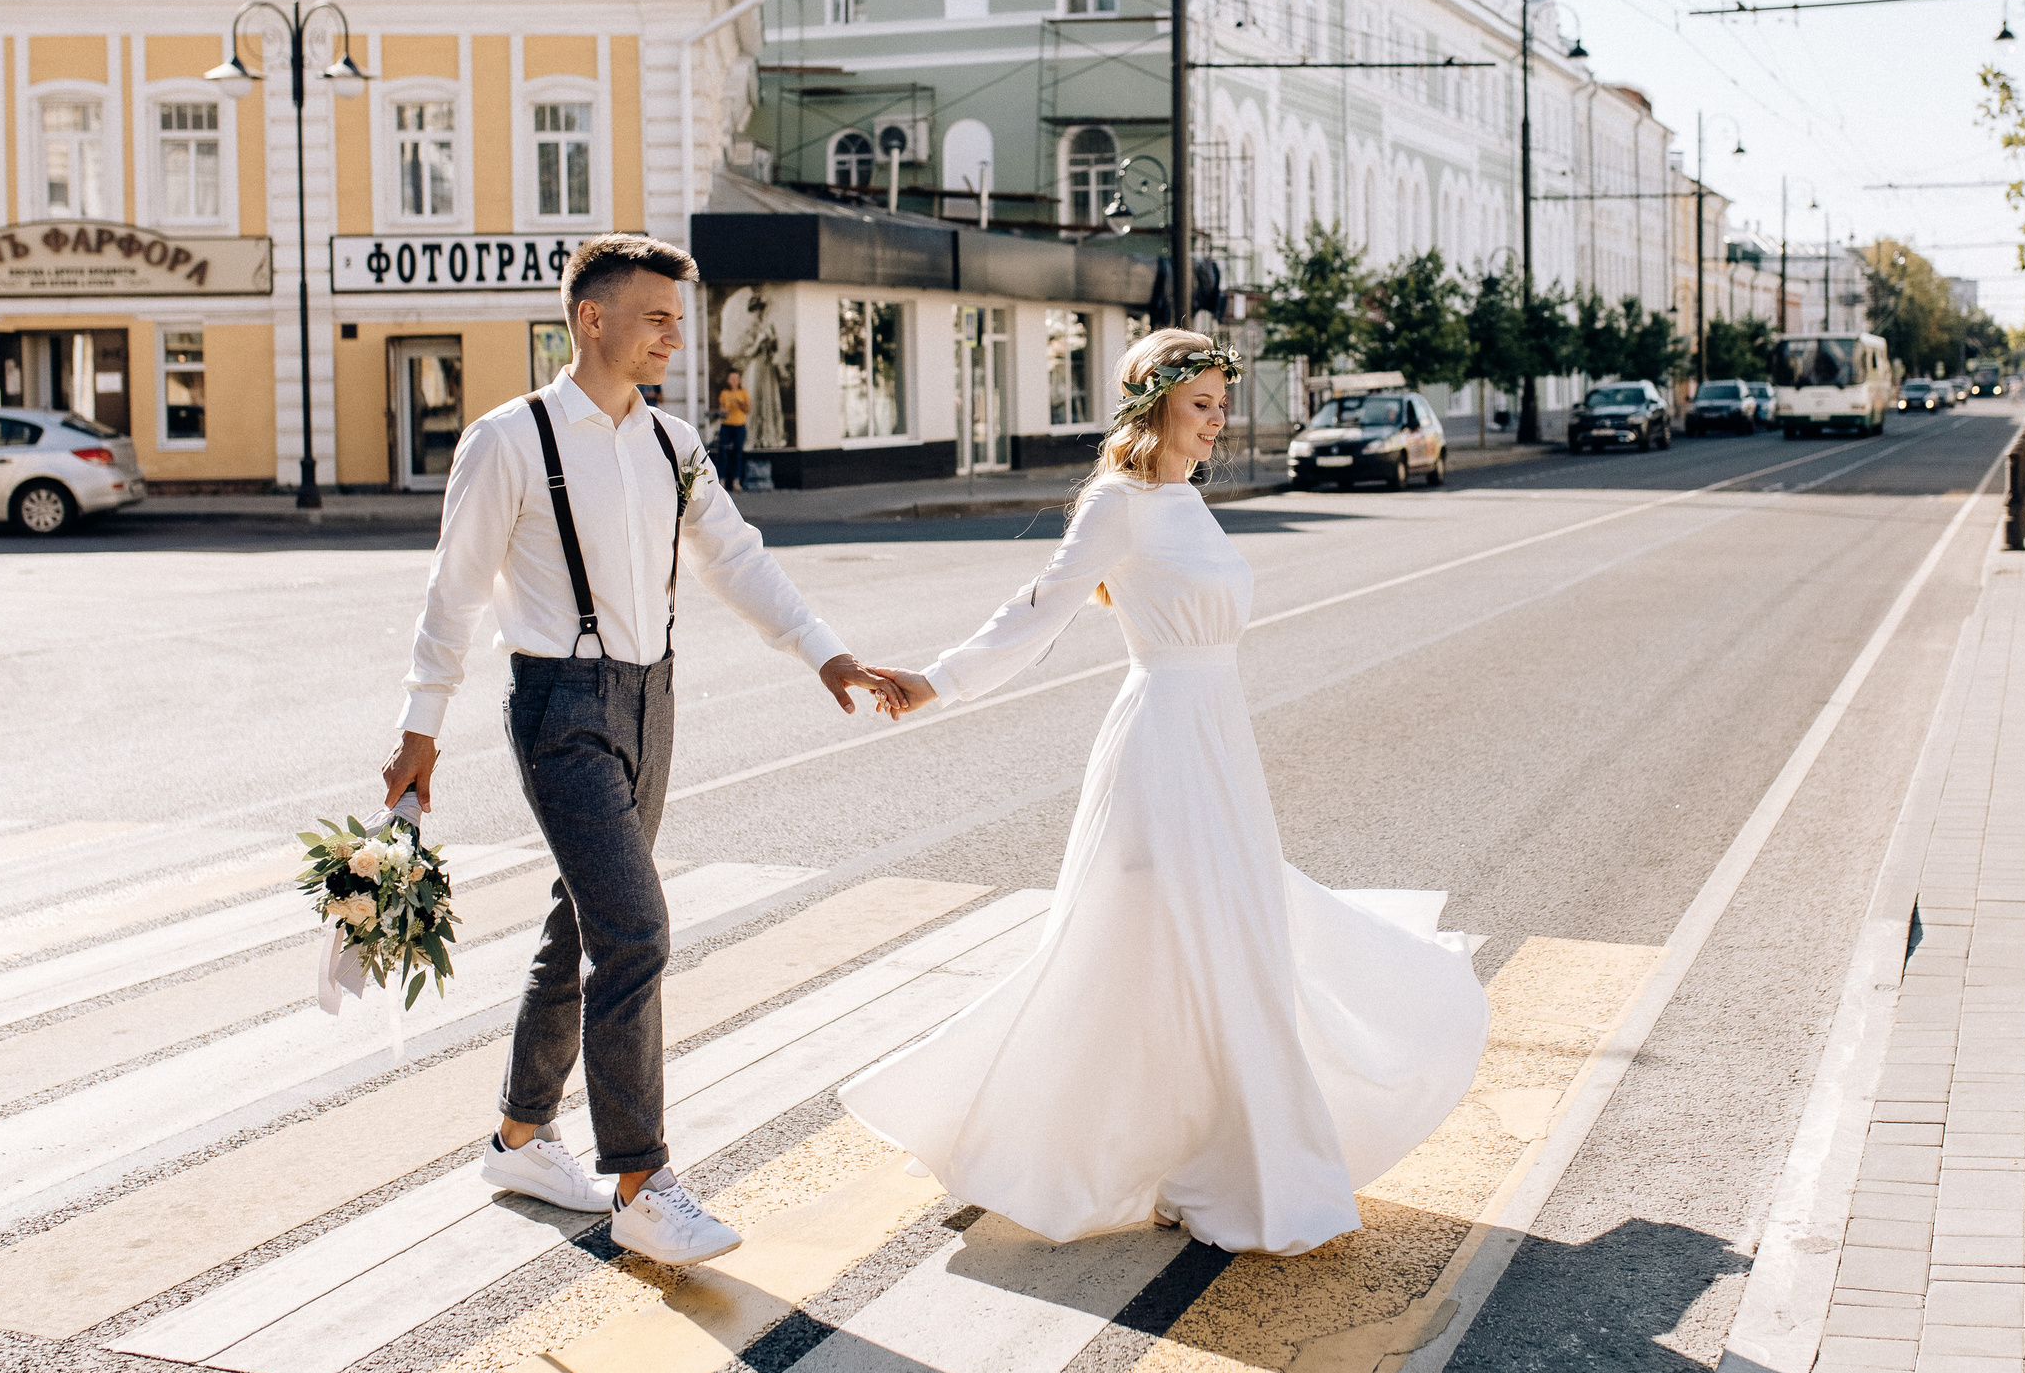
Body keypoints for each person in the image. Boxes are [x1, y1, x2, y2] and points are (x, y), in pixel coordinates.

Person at [845, 330, 1488, 1256]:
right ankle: (1179, 1150)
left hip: (1217, 735)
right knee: (1177, 940)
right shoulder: (1120, 501)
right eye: (1203, 404)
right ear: (1154, 407)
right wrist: (936, 679)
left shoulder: (1184, 498)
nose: (1219, 421)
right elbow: (1037, 611)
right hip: (1162, 746)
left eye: (1224, 404)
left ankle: (1211, 1140)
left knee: (1225, 935)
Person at [380, 236, 906, 1266]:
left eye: (677, 317)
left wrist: (825, 655)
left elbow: (736, 557)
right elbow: (451, 591)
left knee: (580, 925)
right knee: (636, 934)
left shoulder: (673, 443)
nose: (674, 335)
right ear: (593, 319)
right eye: (657, 317)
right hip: (558, 707)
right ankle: (641, 1182)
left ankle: (519, 1139)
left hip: (650, 702)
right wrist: (418, 728)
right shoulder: (510, 439)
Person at [715, 371, 751, 492]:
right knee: (723, 453)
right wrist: (724, 410)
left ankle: (736, 481)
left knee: (738, 453)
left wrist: (739, 403)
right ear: (728, 380)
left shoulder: (743, 393)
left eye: (736, 378)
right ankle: (722, 480)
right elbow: (721, 410)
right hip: (727, 426)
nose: (734, 381)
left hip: (739, 425)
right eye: (732, 378)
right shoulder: (724, 393)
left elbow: (747, 409)